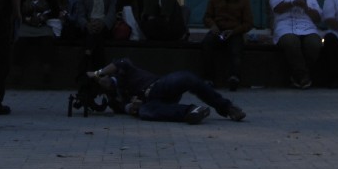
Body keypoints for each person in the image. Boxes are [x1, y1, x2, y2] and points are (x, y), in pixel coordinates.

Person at [86, 58, 246, 124]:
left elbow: (121, 62)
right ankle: (192, 111)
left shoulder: (123, 72)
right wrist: (133, 106)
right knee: (145, 112)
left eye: (102, 79)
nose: (102, 83)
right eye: (100, 85)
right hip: (152, 103)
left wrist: (97, 73)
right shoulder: (113, 99)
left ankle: (227, 107)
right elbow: (125, 109)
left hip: (158, 86)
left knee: (186, 78)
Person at [269, 0, 322, 89]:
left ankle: (297, 76)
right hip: (285, 26)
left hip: (307, 27)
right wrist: (293, 3)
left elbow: (318, 18)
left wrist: (305, 7)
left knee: (314, 44)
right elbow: (277, 8)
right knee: (291, 42)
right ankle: (303, 76)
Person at [201, 0, 254, 90]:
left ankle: (234, 77)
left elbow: (248, 23)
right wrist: (213, 26)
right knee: (207, 44)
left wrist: (234, 31)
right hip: (218, 30)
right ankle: (208, 78)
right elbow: (207, 17)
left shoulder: (244, 0)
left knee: (236, 48)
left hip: (234, 32)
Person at [13, 0, 64, 85]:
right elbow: (16, 10)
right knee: (19, 43)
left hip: (43, 26)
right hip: (25, 25)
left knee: (47, 42)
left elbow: (55, 10)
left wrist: (44, 17)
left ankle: (47, 73)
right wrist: (26, 19)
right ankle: (17, 73)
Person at [68, 0, 118, 75]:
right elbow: (80, 14)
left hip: (103, 26)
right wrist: (87, 24)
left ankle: (87, 57)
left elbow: (111, 13)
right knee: (96, 38)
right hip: (89, 24)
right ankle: (99, 70)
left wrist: (103, 23)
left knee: (94, 36)